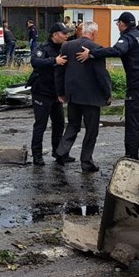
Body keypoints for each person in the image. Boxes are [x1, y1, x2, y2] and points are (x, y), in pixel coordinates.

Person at [78, 11, 139, 165]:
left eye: (118, 23)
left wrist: (92, 53)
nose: (118, 25)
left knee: (133, 125)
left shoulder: (128, 37)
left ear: (123, 24)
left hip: (138, 87)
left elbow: (117, 51)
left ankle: (132, 160)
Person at [55, 21, 111, 172]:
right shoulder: (96, 49)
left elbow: (60, 71)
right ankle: (86, 161)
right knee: (91, 130)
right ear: (93, 33)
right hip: (91, 97)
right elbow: (101, 74)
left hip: (73, 94)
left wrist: (61, 92)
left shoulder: (67, 46)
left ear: (82, 31)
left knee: (73, 125)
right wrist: (107, 93)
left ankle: (61, 152)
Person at [29, 22, 68, 166]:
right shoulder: (43, 48)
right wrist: (54, 61)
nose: (66, 36)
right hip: (42, 92)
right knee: (41, 125)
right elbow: (35, 61)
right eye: (64, 33)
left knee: (59, 124)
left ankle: (58, 152)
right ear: (55, 35)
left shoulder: (64, 48)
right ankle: (37, 155)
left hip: (56, 93)